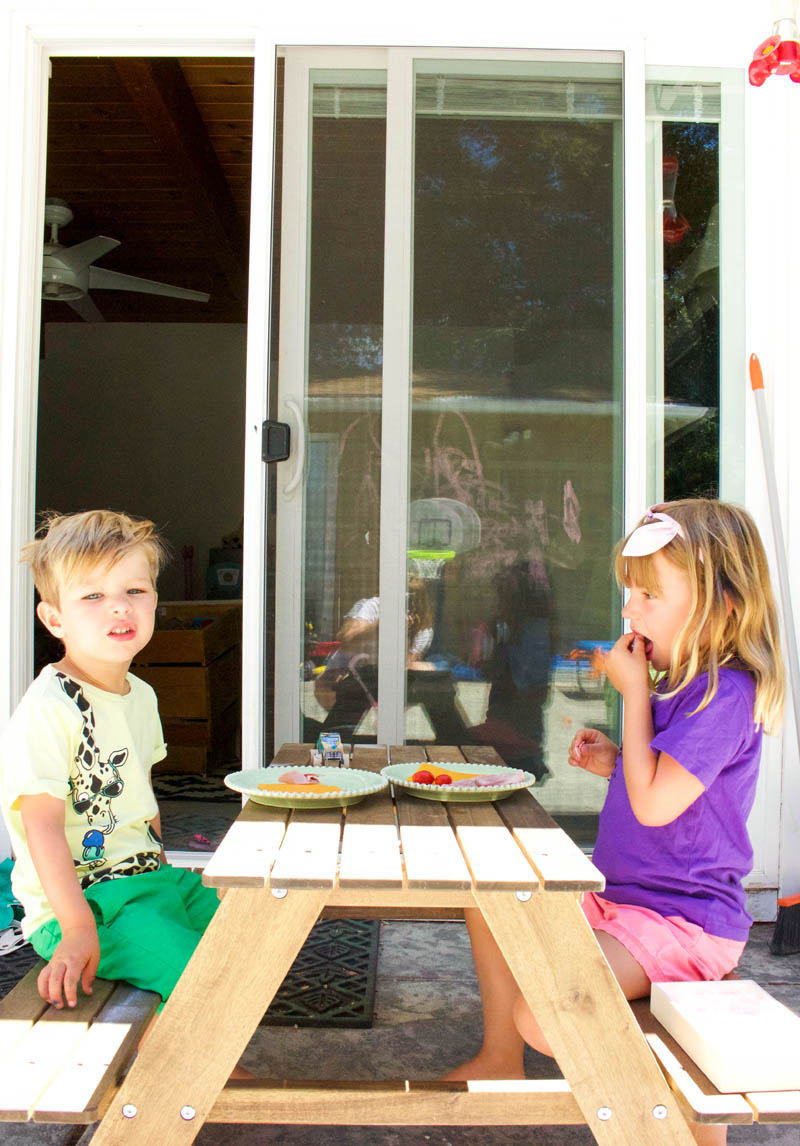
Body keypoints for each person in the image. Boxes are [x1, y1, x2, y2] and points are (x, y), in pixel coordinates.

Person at [445, 499, 784, 1146]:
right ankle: (499, 1061)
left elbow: (655, 804)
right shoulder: (680, 684)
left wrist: (632, 697)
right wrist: (619, 759)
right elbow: (663, 785)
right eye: (630, 592)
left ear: (725, 606)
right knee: (489, 896)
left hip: (682, 922)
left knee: (546, 1015)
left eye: (650, 595)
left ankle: (682, 1099)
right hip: (622, 904)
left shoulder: (726, 694)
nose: (630, 610)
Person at [0, 510, 237, 1043]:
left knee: (247, 938)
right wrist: (78, 930)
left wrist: (164, 870)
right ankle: (196, 1082)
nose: (118, 606)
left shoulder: (142, 695)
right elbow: (39, 831)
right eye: (92, 596)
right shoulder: (49, 708)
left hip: (147, 879)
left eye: (135, 589)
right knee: (195, 970)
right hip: (85, 904)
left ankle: (194, 1045)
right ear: (54, 619)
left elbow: (140, 794)